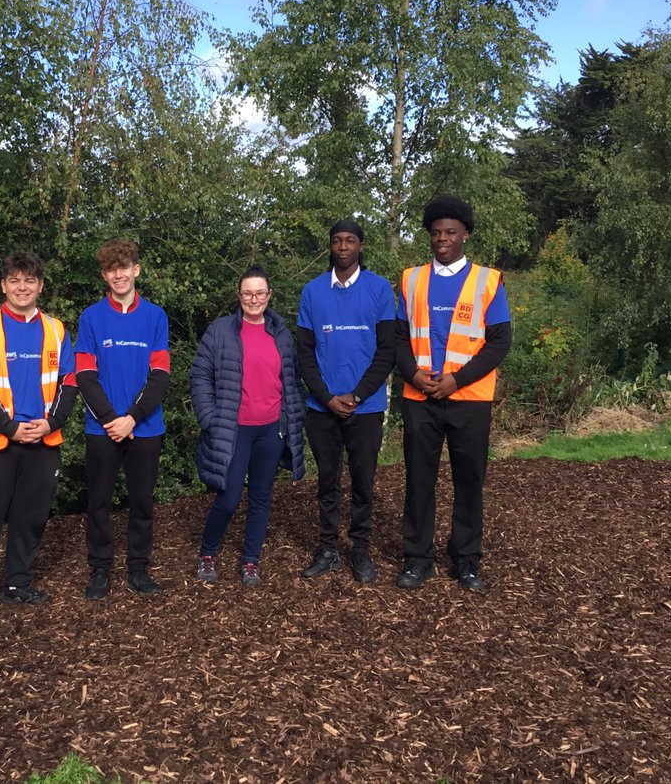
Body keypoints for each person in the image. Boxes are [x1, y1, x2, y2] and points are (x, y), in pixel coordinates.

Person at [395, 196, 512, 593]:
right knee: (419, 481)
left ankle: (466, 560)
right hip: (419, 398)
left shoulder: (488, 280)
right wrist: (412, 373)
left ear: (465, 235)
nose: (441, 239)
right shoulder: (411, 279)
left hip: (470, 399)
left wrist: (456, 381)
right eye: (435, 233)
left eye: (449, 232)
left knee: (469, 481)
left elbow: (499, 342)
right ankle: (417, 559)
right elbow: (396, 337)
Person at [0, 252, 78, 618]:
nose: (22, 287)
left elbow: (69, 384)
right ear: (3, 285)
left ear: (40, 286)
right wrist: (11, 428)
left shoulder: (56, 330)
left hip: (42, 442)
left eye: (29, 281)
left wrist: (50, 423)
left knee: (31, 517)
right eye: (15, 280)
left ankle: (17, 585)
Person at [191, 265, 306, 586]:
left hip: (270, 431)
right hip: (232, 429)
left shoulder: (282, 334)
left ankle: (251, 561)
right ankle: (208, 553)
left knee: (260, 498)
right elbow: (200, 376)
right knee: (227, 499)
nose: (253, 299)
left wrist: (291, 422)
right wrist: (209, 418)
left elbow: (291, 380)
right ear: (239, 295)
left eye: (259, 293)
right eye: (247, 293)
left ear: (269, 295)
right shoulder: (220, 331)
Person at [296, 220, 396, 584]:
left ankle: (361, 549)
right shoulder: (312, 291)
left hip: (365, 408)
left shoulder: (380, 289)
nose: (342, 246)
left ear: (361, 246)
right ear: (330, 247)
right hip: (322, 408)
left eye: (350, 241)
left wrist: (356, 396)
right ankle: (327, 549)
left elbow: (387, 351)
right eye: (337, 241)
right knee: (327, 481)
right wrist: (326, 397)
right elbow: (304, 353)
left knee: (363, 480)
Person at [74, 238, 171, 599]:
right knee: (98, 500)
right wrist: (112, 419)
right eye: (112, 269)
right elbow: (84, 374)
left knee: (142, 501)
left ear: (136, 270)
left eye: (125, 267)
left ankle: (138, 568)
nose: (119, 274)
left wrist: (131, 418)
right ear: (105, 275)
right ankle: (99, 569)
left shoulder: (156, 316)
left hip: (145, 427)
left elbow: (160, 375)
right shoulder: (92, 317)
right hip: (101, 428)